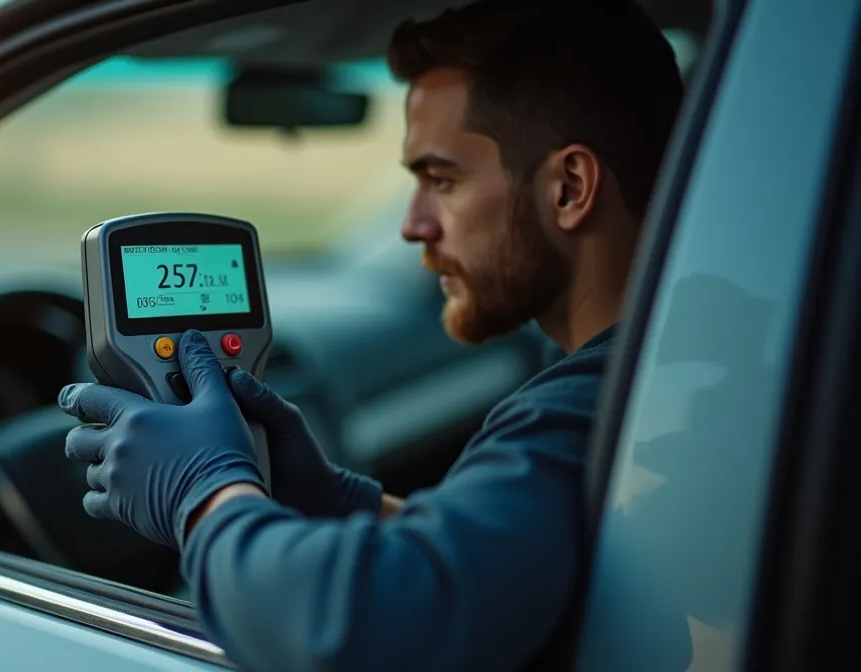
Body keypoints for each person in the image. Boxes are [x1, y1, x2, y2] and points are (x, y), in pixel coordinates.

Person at [58, 0, 685, 669]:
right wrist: (337, 501)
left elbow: (356, 624)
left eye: (441, 179)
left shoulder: (582, 418)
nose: (413, 225)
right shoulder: (667, 379)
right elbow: (515, 565)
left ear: (570, 187)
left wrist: (204, 492)